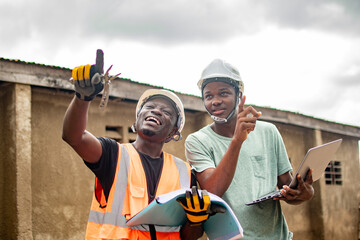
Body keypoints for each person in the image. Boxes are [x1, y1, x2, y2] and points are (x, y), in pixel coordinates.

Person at [62, 50, 211, 240]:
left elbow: (187, 236)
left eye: (166, 111)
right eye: (149, 107)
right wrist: (82, 98)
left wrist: (195, 220)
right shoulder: (112, 154)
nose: (156, 111)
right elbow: (73, 136)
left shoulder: (184, 173)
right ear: (137, 120)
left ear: (174, 132)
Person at [185, 59, 315, 239]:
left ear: (240, 96)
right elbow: (213, 190)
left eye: (223, 93)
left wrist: (306, 193)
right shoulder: (198, 141)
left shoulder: (269, 132)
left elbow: (288, 187)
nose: (215, 101)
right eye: (208, 96)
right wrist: (237, 140)